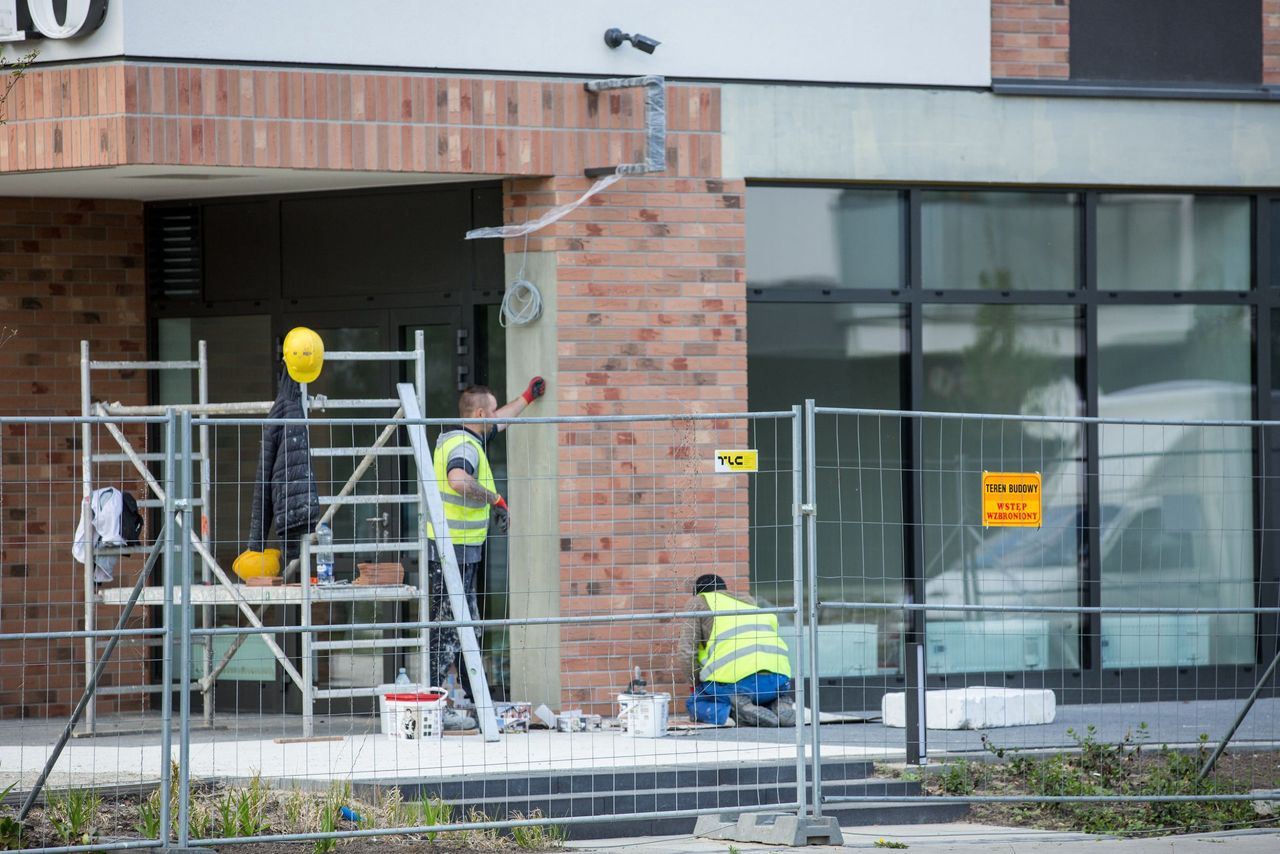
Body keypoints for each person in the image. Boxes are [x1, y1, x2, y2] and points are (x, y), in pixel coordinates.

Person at [427, 377, 546, 694]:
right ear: (480, 414)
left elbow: (501, 421)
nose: (495, 417)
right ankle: (436, 697)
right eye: (491, 412)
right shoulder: (465, 446)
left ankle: (471, 696)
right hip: (453, 550)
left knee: (466, 626)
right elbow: (458, 480)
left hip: (458, 548)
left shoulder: (464, 436)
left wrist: (526, 397)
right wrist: (495, 500)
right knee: (448, 628)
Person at [678, 573, 797, 727]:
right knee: (760, 693)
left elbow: (686, 652)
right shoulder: (748, 602)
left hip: (737, 683)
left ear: (698, 593)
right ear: (724, 590)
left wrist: (695, 683)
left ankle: (736, 712)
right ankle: (779, 703)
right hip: (778, 681)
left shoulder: (698, 602)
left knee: (695, 702)